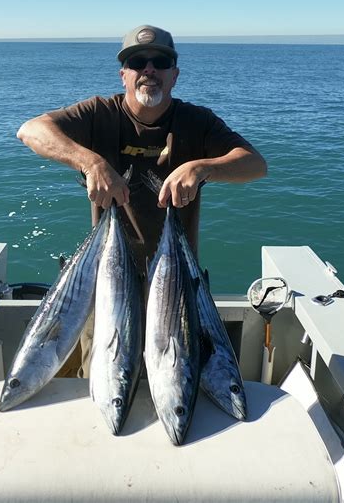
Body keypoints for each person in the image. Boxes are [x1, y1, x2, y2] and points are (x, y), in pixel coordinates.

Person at [17, 24, 267, 376]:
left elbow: (256, 165)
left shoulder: (198, 121)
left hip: (176, 281)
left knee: (174, 377)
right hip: (107, 280)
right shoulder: (99, 113)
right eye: (137, 62)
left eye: (160, 62)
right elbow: (31, 130)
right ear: (124, 75)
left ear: (174, 75)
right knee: (105, 376)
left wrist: (202, 167)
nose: (149, 69)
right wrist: (91, 162)